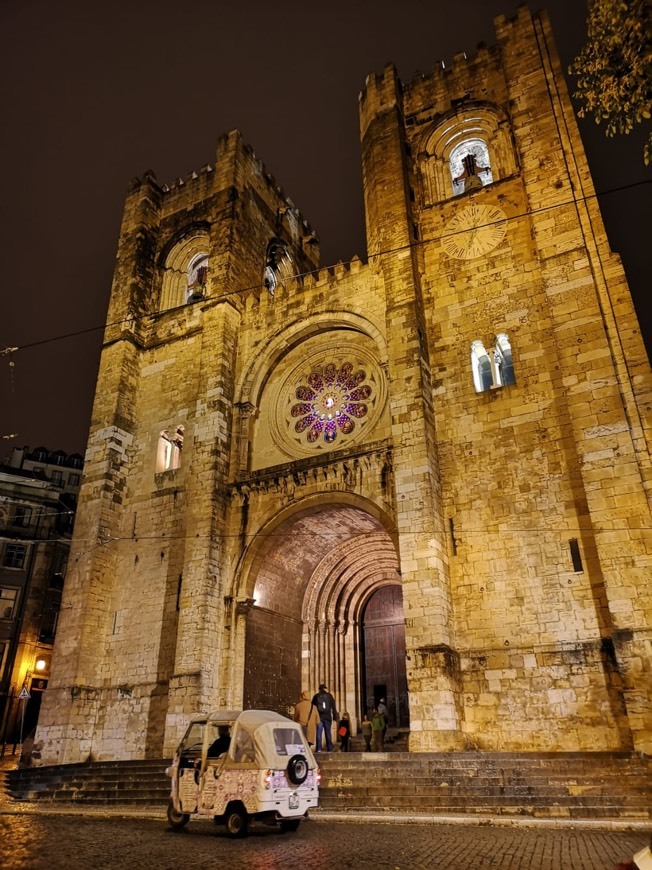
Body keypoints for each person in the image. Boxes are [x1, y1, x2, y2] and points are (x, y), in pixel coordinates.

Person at [311, 683, 338, 752]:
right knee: (328, 732)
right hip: (327, 717)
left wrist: (312, 717)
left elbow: (312, 707)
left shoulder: (316, 696)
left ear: (319, 689)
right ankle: (330, 748)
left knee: (319, 733)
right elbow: (333, 707)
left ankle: (319, 748)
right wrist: (335, 717)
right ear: (325, 689)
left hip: (319, 717)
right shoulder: (329, 696)